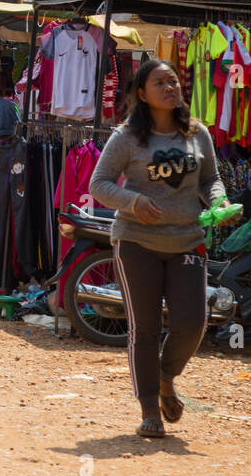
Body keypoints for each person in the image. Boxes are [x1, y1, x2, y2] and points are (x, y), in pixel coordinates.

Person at [88, 58, 228, 439]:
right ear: (141, 94)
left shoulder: (197, 133)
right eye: (160, 83)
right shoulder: (126, 138)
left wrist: (217, 201)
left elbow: (210, 179)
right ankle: (150, 409)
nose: (170, 88)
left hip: (187, 240)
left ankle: (165, 378)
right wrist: (133, 201)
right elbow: (98, 184)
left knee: (191, 323)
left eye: (173, 82)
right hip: (136, 242)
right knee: (143, 330)